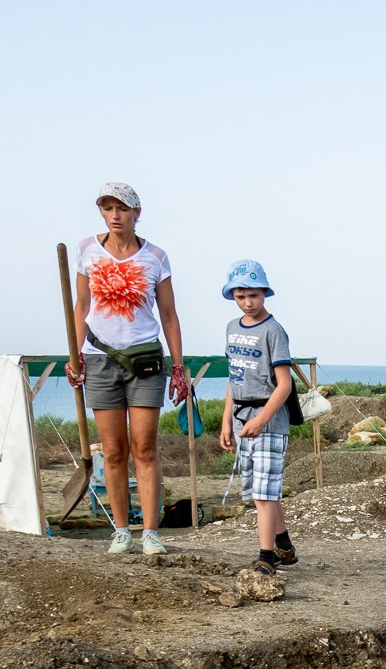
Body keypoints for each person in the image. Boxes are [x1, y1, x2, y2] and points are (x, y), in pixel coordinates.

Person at [67, 182, 188, 556]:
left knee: (144, 448)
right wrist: (74, 355)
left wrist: (179, 367)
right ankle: (121, 530)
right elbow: (81, 307)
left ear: (137, 213)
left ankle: (150, 531)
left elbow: (168, 314)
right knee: (115, 451)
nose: (115, 215)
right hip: (100, 358)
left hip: (146, 358)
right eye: (107, 208)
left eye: (122, 208)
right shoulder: (87, 250)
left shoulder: (156, 257)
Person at [217, 261, 297, 576]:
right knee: (260, 490)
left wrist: (262, 419)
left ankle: (267, 556)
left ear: (264, 293)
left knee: (265, 492)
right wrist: (226, 421)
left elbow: (285, 384)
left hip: (269, 421)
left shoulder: (274, 331)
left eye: (253, 295)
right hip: (241, 418)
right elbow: (233, 377)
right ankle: (284, 545)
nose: (248, 302)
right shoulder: (231, 328)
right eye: (241, 296)